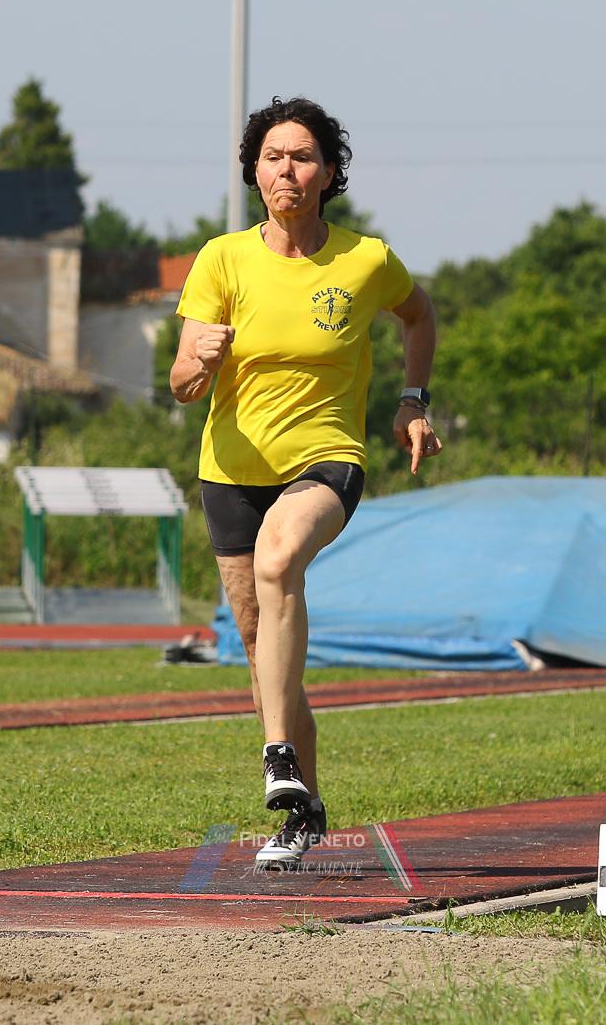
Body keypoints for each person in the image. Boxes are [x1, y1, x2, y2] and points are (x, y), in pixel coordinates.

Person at [170, 96, 441, 871]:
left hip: (326, 458)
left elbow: (419, 318)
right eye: (272, 157)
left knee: (281, 555)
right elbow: (181, 384)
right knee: (262, 650)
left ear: (328, 172)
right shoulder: (221, 259)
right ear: (254, 173)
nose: (286, 169)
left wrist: (412, 400)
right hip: (230, 472)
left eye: (302, 156)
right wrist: (200, 361)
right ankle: (304, 809)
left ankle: (276, 752)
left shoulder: (366, 260)